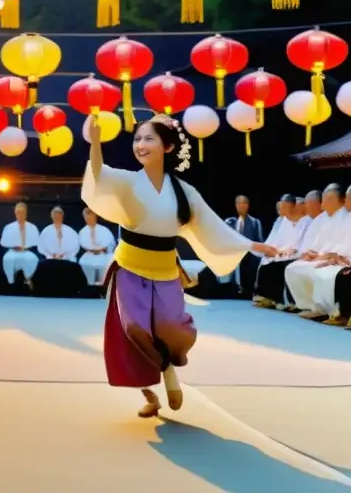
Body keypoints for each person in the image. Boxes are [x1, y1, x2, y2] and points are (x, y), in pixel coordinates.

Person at [81, 113, 275, 419]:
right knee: (134, 329)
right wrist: (94, 143)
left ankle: (168, 368)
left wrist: (250, 245)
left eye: (148, 138)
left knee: (172, 328)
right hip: (130, 268)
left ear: (168, 147)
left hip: (165, 271)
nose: (140, 145)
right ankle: (149, 393)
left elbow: (211, 226)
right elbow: (98, 176)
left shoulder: (184, 192)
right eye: (137, 139)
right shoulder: (127, 181)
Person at [284, 184, 350, 318]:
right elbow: (318, 242)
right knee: (293, 268)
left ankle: (329, 310)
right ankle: (310, 305)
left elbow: (341, 245)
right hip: (322, 256)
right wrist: (312, 252)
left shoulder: (346, 217)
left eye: (326, 199)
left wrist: (325, 256)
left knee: (323, 273)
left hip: (338, 258)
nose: (323, 202)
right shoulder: (323, 218)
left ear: (335, 200)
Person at [307, 184, 351, 324]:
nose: (344, 202)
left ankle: (345, 314)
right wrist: (335, 256)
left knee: (343, 275)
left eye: (347, 198)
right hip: (345, 258)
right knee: (326, 272)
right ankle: (329, 311)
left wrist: (346, 258)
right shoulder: (350, 217)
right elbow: (342, 242)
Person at [253, 194, 310, 308]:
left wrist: (292, 251)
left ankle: (284, 300)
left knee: (281, 265)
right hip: (282, 253)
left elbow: (303, 244)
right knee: (268, 263)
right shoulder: (283, 221)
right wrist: (276, 251)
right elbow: (276, 241)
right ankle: (268, 297)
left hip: (298, 254)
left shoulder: (307, 221)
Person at [33, 205, 88, 297]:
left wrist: (65, 255)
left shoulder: (70, 231)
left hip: (66, 258)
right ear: (52, 216)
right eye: (55, 215)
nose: (57, 217)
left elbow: (75, 246)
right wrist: (51, 254)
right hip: (51, 258)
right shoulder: (46, 231)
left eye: (59, 215)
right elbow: (41, 247)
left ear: (62, 216)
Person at [219, 194, 263, 292]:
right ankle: (232, 286)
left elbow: (260, 241)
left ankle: (248, 287)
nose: (241, 205)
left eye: (244, 203)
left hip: (250, 254)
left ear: (248, 205)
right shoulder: (230, 222)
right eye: (238, 203)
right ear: (235, 205)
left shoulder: (255, 222)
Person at [0, 202, 40, 287]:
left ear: (26, 213)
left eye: (22, 212)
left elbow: (37, 242)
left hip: (26, 251)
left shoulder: (32, 227)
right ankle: (10, 283)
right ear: (15, 213)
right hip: (12, 252)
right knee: (8, 258)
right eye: (18, 212)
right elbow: (3, 242)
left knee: (33, 259)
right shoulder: (9, 227)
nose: (20, 215)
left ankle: (28, 280)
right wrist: (14, 246)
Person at [78, 207, 116, 286]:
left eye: (91, 217)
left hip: (102, 254)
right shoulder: (83, 231)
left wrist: (102, 249)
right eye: (87, 218)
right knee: (83, 263)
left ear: (95, 217)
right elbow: (82, 243)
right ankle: (89, 285)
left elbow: (110, 243)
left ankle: (104, 285)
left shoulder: (104, 230)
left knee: (106, 264)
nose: (89, 220)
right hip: (89, 255)